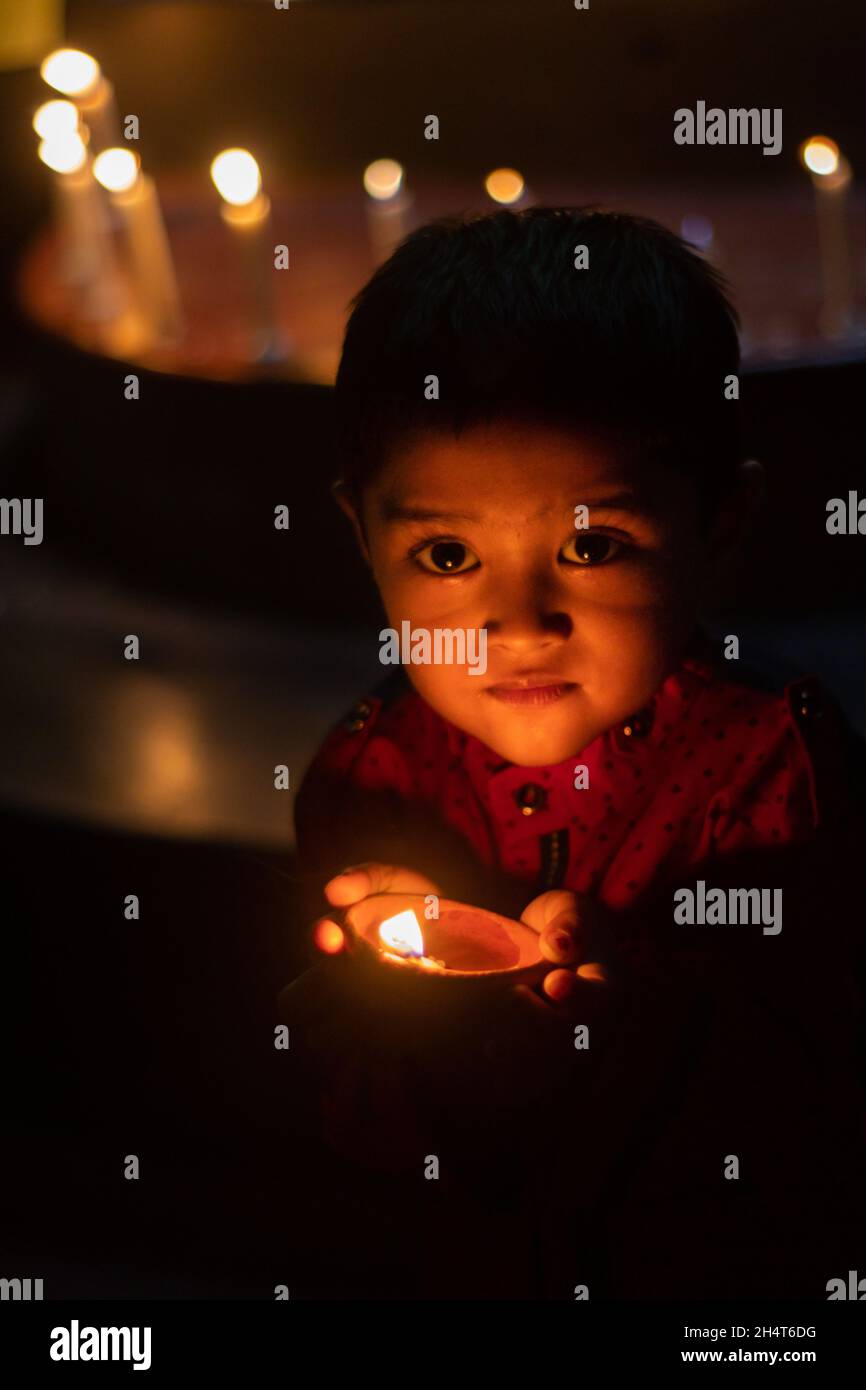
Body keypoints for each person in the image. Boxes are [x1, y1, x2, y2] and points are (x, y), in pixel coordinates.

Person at [283, 207, 866, 1299]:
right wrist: (378, 1008)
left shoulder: (773, 770)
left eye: (590, 545)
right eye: (447, 553)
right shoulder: (375, 775)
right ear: (362, 538)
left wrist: (627, 1010)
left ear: (721, 524)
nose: (518, 622)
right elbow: (355, 1126)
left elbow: (815, 1089)